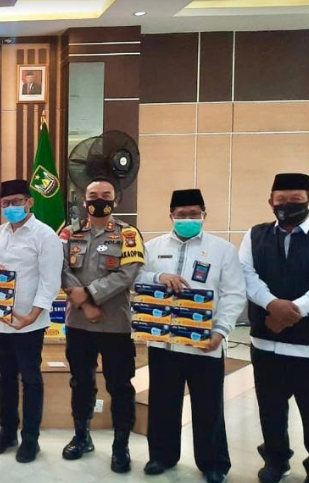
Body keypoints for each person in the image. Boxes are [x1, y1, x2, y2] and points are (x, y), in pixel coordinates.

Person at [137, 189, 245, 483]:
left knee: (208, 406)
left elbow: (234, 293)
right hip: (163, 342)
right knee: (162, 403)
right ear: (171, 215)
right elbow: (135, 278)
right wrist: (159, 277)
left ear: (204, 214)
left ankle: (213, 463)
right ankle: (161, 456)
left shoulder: (222, 250)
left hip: (205, 344)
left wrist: (221, 331)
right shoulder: (153, 247)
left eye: (194, 214)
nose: (187, 219)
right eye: (181, 214)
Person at [60, 176, 144, 473]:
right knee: (80, 382)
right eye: (93, 195)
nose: (99, 200)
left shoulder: (128, 234)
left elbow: (128, 273)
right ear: (84, 200)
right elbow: (60, 268)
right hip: (79, 323)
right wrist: (84, 305)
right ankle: (81, 437)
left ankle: (121, 446)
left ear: (115, 200)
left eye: (105, 195)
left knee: (120, 386)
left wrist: (90, 294)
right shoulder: (68, 232)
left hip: (115, 325)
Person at [0, 179, 63, 463]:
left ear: (29, 202)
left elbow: (50, 280)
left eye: (16, 201)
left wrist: (33, 315)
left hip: (30, 321)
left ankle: (30, 438)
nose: (11, 207)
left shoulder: (45, 235)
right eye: (6, 203)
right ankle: (7, 432)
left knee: (31, 379)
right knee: (5, 377)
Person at [239, 173, 309, 483]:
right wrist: (272, 304)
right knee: (270, 409)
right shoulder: (255, 234)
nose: (287, 206)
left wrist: (291, 312)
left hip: (306, 345)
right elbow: (245, 274)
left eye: (296, 200)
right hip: (265, 343)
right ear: (270, 202)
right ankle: (276, 461)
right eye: (281, 200)